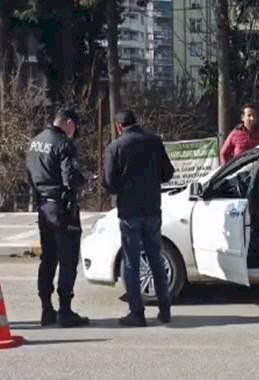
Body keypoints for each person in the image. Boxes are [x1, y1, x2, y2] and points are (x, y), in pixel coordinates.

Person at [103, 109, 175, 327]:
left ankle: (137, 313)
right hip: (153, 209)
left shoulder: (115, 148)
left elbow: (109, 184)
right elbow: (168, 173)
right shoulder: (154, 141)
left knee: (132, 263)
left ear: (118, 127)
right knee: (156, 258)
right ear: (137, 122)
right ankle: (165, 310)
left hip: (129, 212)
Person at [26, 108, 90, 328]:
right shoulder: (63, 143)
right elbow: (69, 178)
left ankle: (46, 309)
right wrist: (85, 179)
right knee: (68, 259)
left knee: (48, 258)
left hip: (44, 207)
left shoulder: (36, 141)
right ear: (69, 123)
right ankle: (65, 310)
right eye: (75, 128)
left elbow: (30, 175)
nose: (75, 133)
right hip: (63, 209)